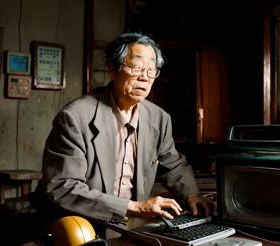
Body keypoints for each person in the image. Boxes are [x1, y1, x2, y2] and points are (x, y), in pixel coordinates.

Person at [35, 32, 212, 230]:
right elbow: (62, 186)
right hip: (78, 226)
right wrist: (133, 207)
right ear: (113, 68)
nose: (145, 78)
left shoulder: (159, 118)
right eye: (137, 68)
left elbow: (173, 165)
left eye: (151, 70)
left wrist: (192, 195)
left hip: (130, 227)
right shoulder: (75, 117)